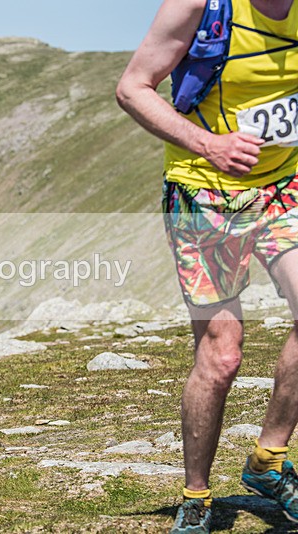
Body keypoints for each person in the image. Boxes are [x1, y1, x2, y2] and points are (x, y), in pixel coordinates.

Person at [117, 0, 298, 531]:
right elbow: (132, 88)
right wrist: (209, 144)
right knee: (222, 356)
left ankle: (268, 461)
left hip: (284, 187)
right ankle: (196, 495)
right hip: (203, 192)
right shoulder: (201, 5)